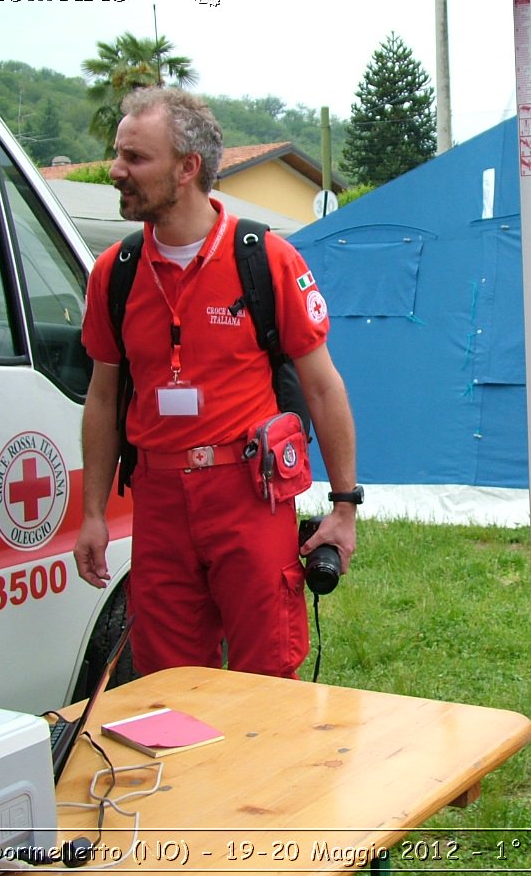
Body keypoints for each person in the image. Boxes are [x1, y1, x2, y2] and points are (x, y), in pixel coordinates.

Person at [73, 87, 359, 679]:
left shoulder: (266, 259)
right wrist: (94, 513)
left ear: (187, 167)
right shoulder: (114, 273)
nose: (116, 171)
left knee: (266, 677)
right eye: (118, 154)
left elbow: (325, 389)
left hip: (247, 494)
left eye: (135, 157)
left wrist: (344, 507)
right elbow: (102, 399)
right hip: (157, 499)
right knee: (167, 683)